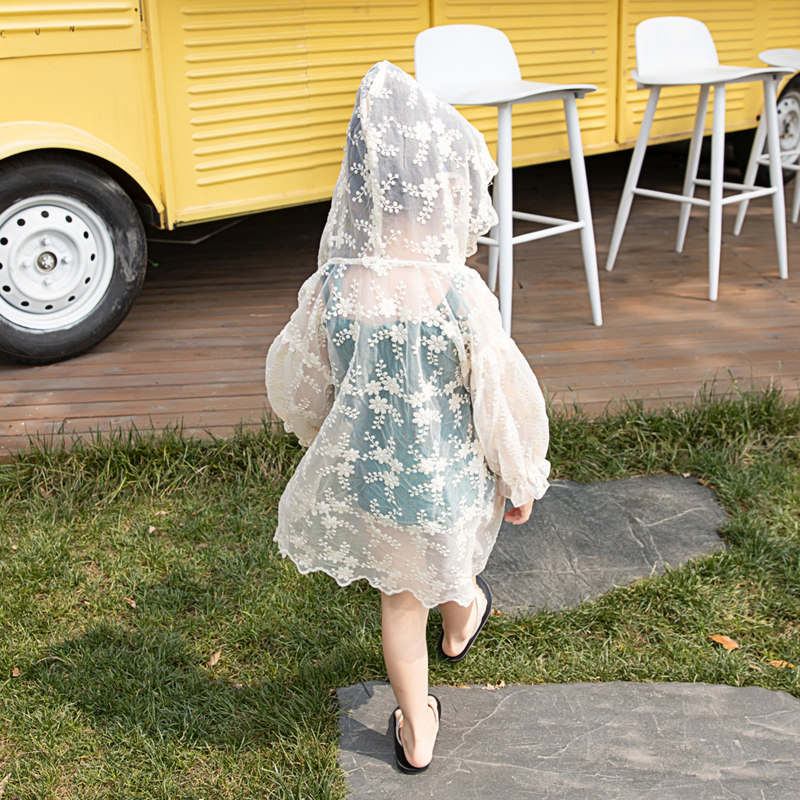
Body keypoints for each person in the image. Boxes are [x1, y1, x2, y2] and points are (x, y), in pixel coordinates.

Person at [265, 61, 550, 773]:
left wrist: (325, 429)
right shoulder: (458, 291)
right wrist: (518, 472)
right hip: (449, 479)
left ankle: (417, 729)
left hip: (376, 478)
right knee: (452, 559)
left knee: (401, 602)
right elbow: (499, 392)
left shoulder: (334, 285)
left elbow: (301, 381)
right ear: (444, 189)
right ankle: (460, 625)